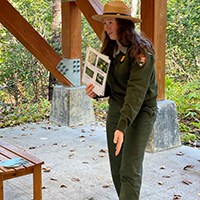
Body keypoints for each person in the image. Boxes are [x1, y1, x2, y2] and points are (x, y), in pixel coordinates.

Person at [85, 0, 158, 199]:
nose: (106, 27)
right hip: (118, 107)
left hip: (141, 110)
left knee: (129, 168)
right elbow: (111, 86)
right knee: (117, 167)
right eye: (105, 22)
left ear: (123, 24)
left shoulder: (142, 52)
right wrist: (96, 92)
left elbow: (136, 93)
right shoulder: (110, 50)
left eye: (111, 22)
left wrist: (122, 126)